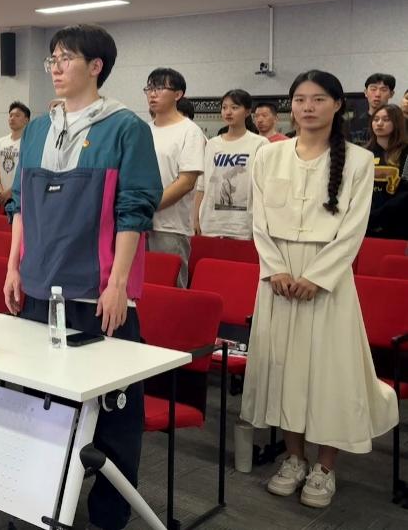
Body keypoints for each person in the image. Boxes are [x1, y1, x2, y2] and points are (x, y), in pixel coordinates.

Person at [3, 24, 162, 530]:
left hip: (98, 293)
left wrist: (117, 285)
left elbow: (134, 211)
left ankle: (110, 515)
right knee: (42, 407)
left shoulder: (125, 128)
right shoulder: (36, 129)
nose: (55, 66)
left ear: (96, 67)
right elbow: (20, 205)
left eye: (66, 57)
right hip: (38, 286)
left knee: (114, 415)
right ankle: (41, 505)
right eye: (52, 58)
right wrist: (13, 265)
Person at [242, 70, 398, 509]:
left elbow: (353, 228)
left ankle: (325, 465)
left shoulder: (359, 160)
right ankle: (294, 457)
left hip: (327, 279)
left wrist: (317, 277)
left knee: (329, 373)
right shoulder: (268, 156)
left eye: (318, 99)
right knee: (284, 368)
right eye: (300, 99)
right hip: (278, 278)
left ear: (337, 105)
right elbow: (259, 221)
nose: (307, 107)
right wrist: (275, 269)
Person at [145, 67, 205, 287]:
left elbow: (186, 182)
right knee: (139, 290)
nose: (153, 94)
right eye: (149, 88)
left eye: (160, 88)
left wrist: (148, 206)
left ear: (178, 94)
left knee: (168, 290)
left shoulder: (190, 131)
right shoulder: (143, 130)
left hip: (171, 227)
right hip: (138, 223)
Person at [194, 90, 267, 239]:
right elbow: (202, 185)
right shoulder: (212, 144)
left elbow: (264, 188)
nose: (228, 112)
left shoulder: (259, 144)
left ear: (247, 111)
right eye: (224, 107)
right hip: (211, 224)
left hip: (243, 225)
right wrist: (195, 217)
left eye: (234, 107)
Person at [365, 103, 408, 239]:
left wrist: (379, 214)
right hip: (366, 222)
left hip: (398, 222)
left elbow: (406, 192)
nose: (379, 123)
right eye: (376, 119)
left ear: (397, 123)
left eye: (386, 119)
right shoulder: (364, 153)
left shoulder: (406, 153)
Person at [0, 101, 30, 212]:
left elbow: (27, 174)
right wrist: (0, 189)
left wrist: (9, 192)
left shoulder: (29, 144)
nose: (12, 118)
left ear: (26, 120)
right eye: (11, 115)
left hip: (20, 197)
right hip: (1, 197)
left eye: (17, 115)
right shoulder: (0, 142)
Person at [348, 73, 396, 146]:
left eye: (383, 90)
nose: (377, 94)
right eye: (373, 89)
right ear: (366, 92)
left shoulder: (397, 122)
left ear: (391, 94)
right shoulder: (351, 123)